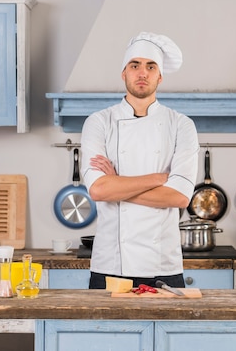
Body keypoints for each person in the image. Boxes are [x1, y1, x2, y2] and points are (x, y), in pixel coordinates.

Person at [80, 31, 200, 289]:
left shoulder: (181, 125)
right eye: (135, 65)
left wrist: (116, 184)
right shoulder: (99, 122)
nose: (142, 73)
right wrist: (158, 178)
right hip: (110, 266)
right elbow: (99, 190)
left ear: (160, 76)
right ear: (124, 73)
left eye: (150, 66)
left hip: (163, 266)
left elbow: (179, 197)